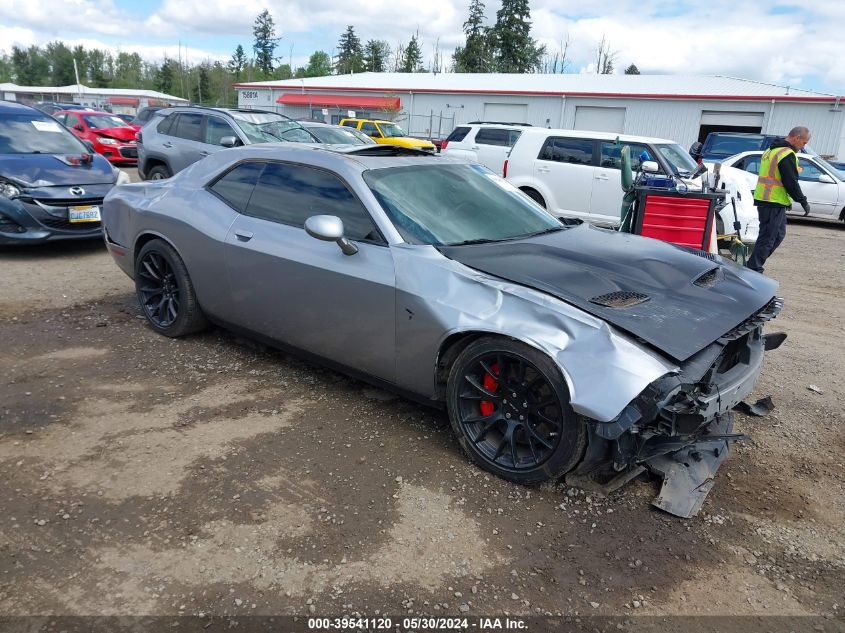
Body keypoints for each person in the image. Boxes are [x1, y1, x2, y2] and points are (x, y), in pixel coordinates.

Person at [747, 126, 811, 273]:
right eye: (804, 142)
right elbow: (791, 182)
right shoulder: (786, 153)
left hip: (769, 199)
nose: (804, 146)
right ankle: (753, 268)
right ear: (796, 138)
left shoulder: (772, 150)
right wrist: (802, 201)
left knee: (777, 235)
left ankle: (753, 264)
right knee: (769, 237)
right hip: (772, 201)